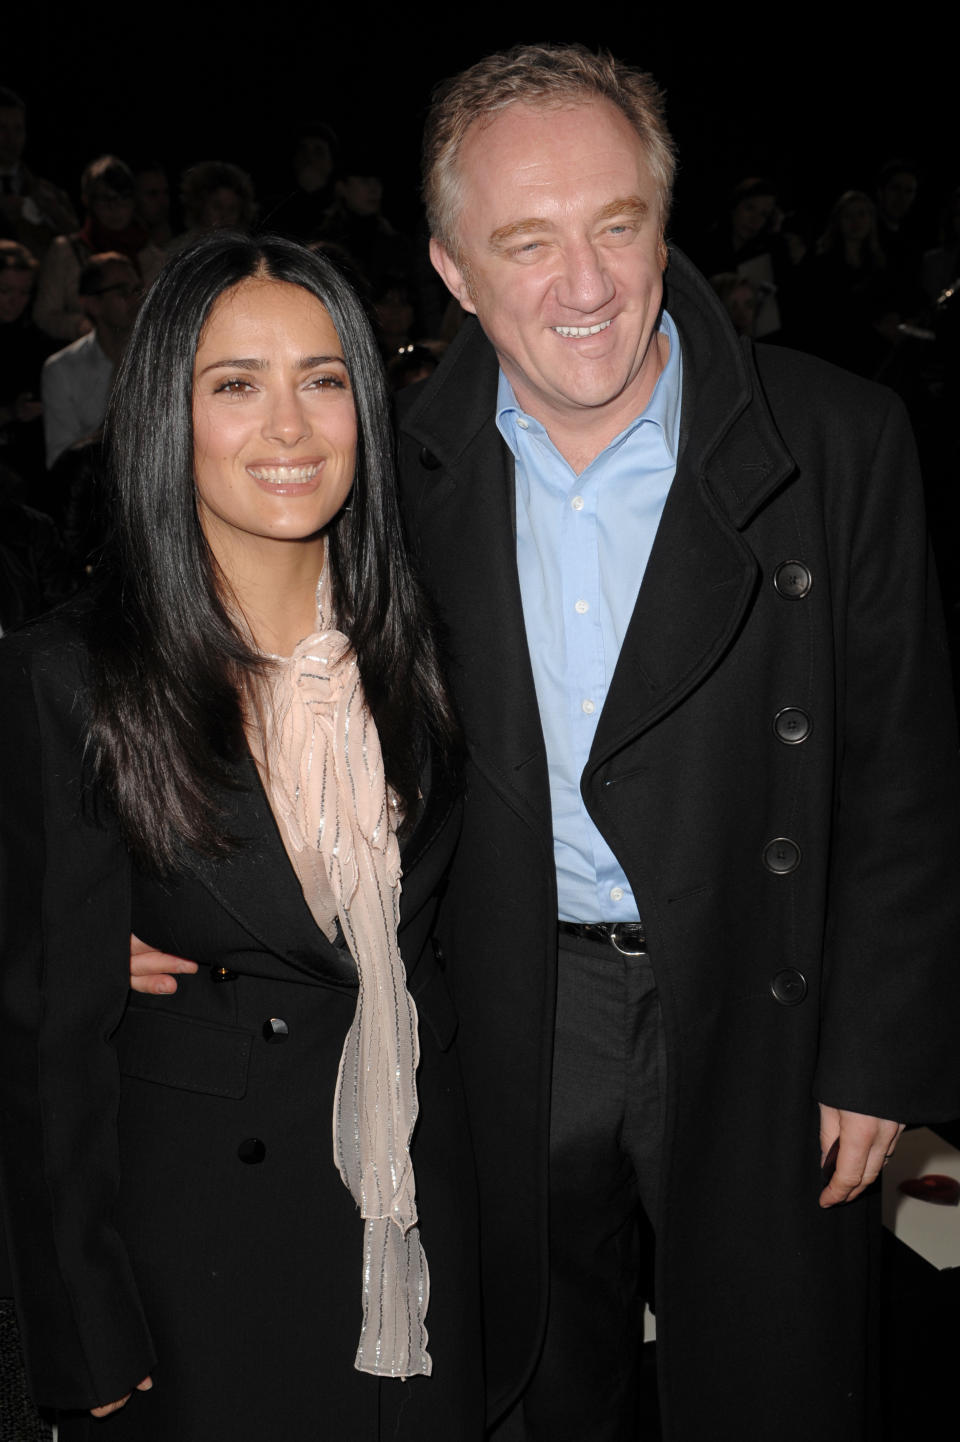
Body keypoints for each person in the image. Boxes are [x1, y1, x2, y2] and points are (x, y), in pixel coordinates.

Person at [132, 45, 960, 1442]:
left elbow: (903, 769)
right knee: (529, 1383)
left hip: (763, 1002)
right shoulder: (386, 461)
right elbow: (187, 651)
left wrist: (878, 1051)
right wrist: (101, 899)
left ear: (662, 220)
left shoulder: (839, 438)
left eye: (616, 226)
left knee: (770, 1381)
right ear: (455, 269)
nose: (586, 287)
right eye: (529, 243)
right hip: (509, 998)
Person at [0, 232, 481, 1441]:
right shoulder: (74, 676)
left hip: (424, 1234)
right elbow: (46, 1055)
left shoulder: (433, 648)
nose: (290, 426)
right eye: (236, 383)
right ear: (170, 410)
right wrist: (81, 1326)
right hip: (200, 1264)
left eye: (324, 377)